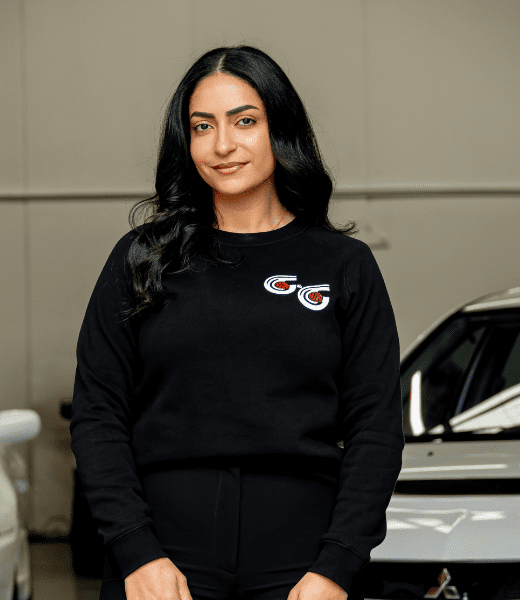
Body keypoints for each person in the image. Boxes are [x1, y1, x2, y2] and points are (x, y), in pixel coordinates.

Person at [70, 44, 404, 600]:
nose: (222, 145)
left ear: (281, 127)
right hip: (163, 556)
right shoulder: (141, 258)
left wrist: (338, 565)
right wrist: (135, 549)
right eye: (202, 127)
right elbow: (97, 413)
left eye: (244, 121)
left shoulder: (343, 266)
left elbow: (375, 428)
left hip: (303, 558)